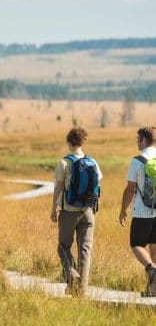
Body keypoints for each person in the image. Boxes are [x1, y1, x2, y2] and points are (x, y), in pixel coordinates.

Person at [50, 127, 102, 297]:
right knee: (85, 249)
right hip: (88, 211)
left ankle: (72, 275)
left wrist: (53, 208)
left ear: (69, 142)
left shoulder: (64, 163)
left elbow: (58, 187)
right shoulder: (92, 162)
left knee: (63, 246)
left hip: (69, 211)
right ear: (83, 141)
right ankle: (82, 290)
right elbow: (97, 185)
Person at [119, 126, 156, 297]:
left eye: (137, 138)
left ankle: (152, 270)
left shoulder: (137, 161)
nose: (136, 141)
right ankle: (153, 289)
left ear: (143, 140)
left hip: (142, 211)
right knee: (154, 246)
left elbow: (130, 189)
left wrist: (123, 210)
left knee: (137, 245)